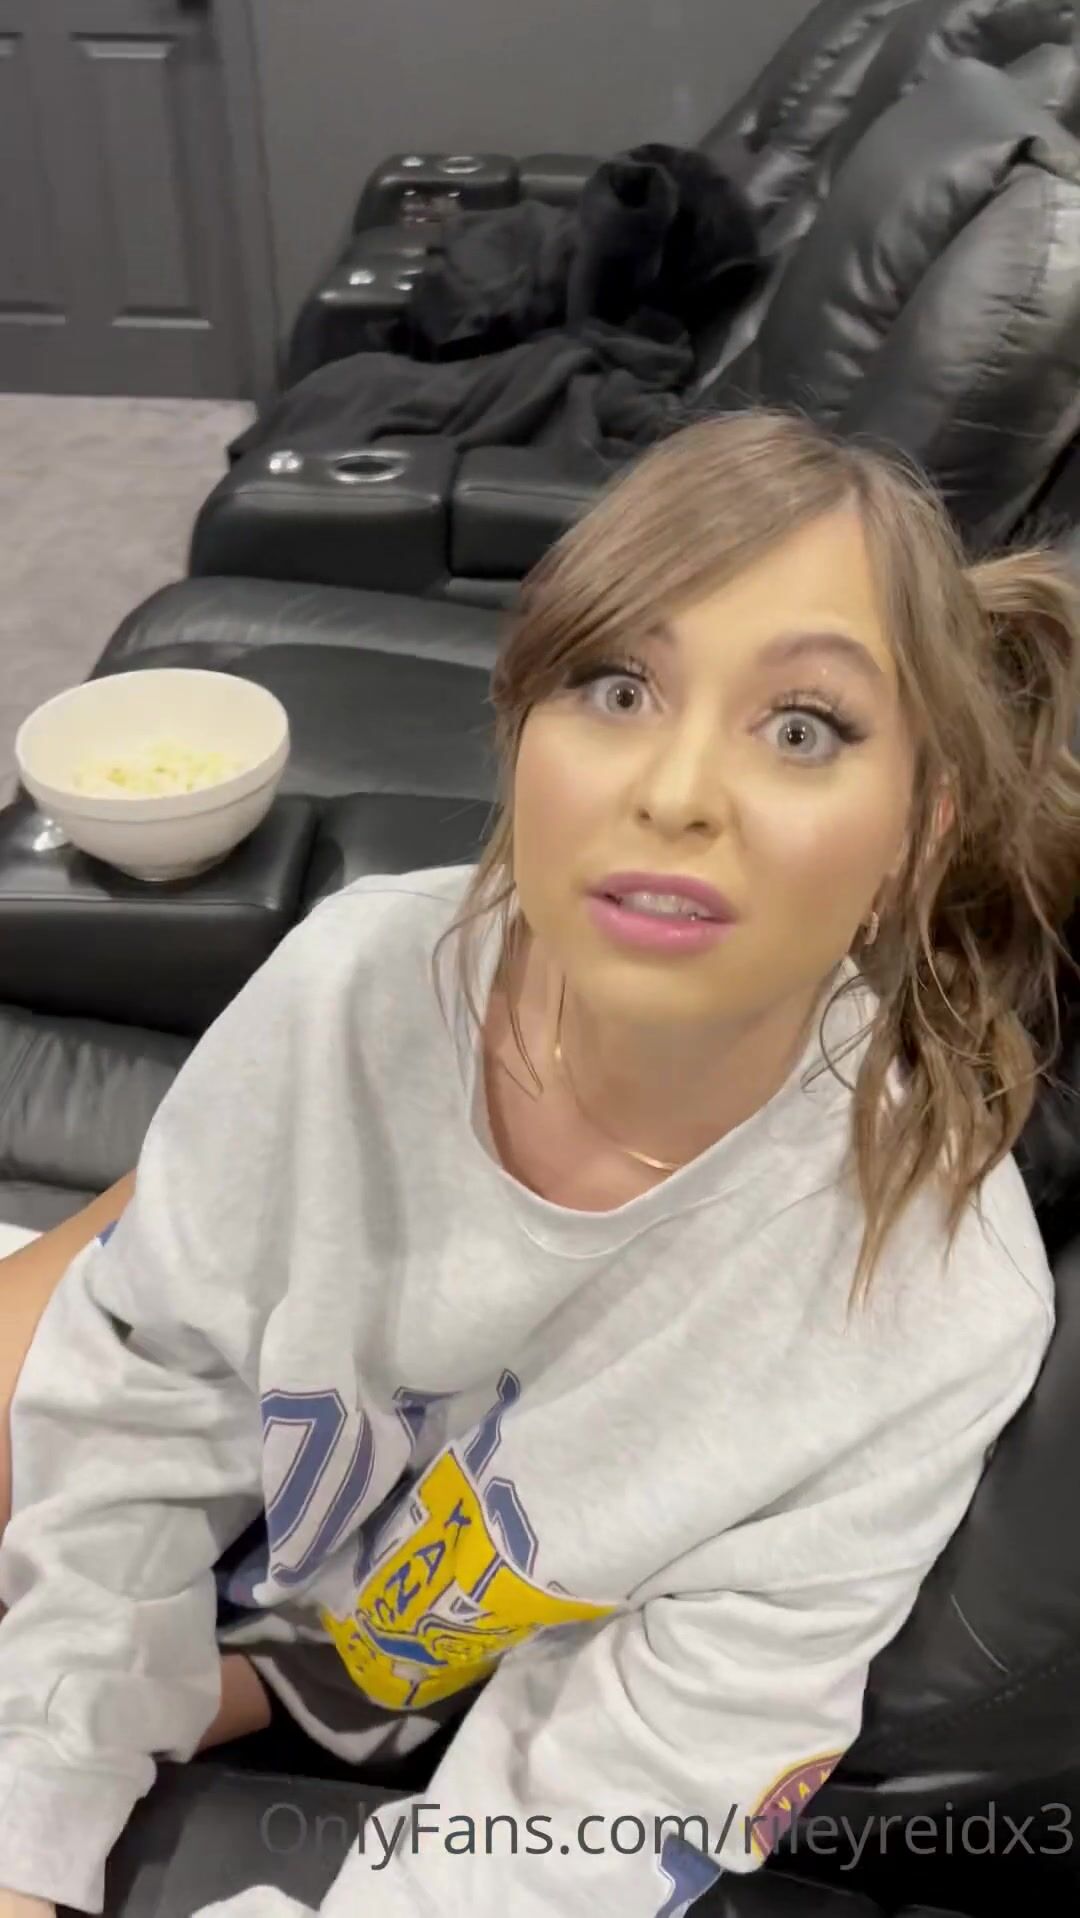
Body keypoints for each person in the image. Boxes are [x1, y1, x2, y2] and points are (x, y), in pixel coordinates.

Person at [0, 408, 1077, 1918]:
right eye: (618, 687)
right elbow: (133, 1414)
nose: (678, 791)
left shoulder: (926, 1301)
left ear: (917, 828)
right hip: (197, 1609)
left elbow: (612, 1808)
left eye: (802, 728)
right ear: (520, 735)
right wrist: (33, 1804)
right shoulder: (350, 990)